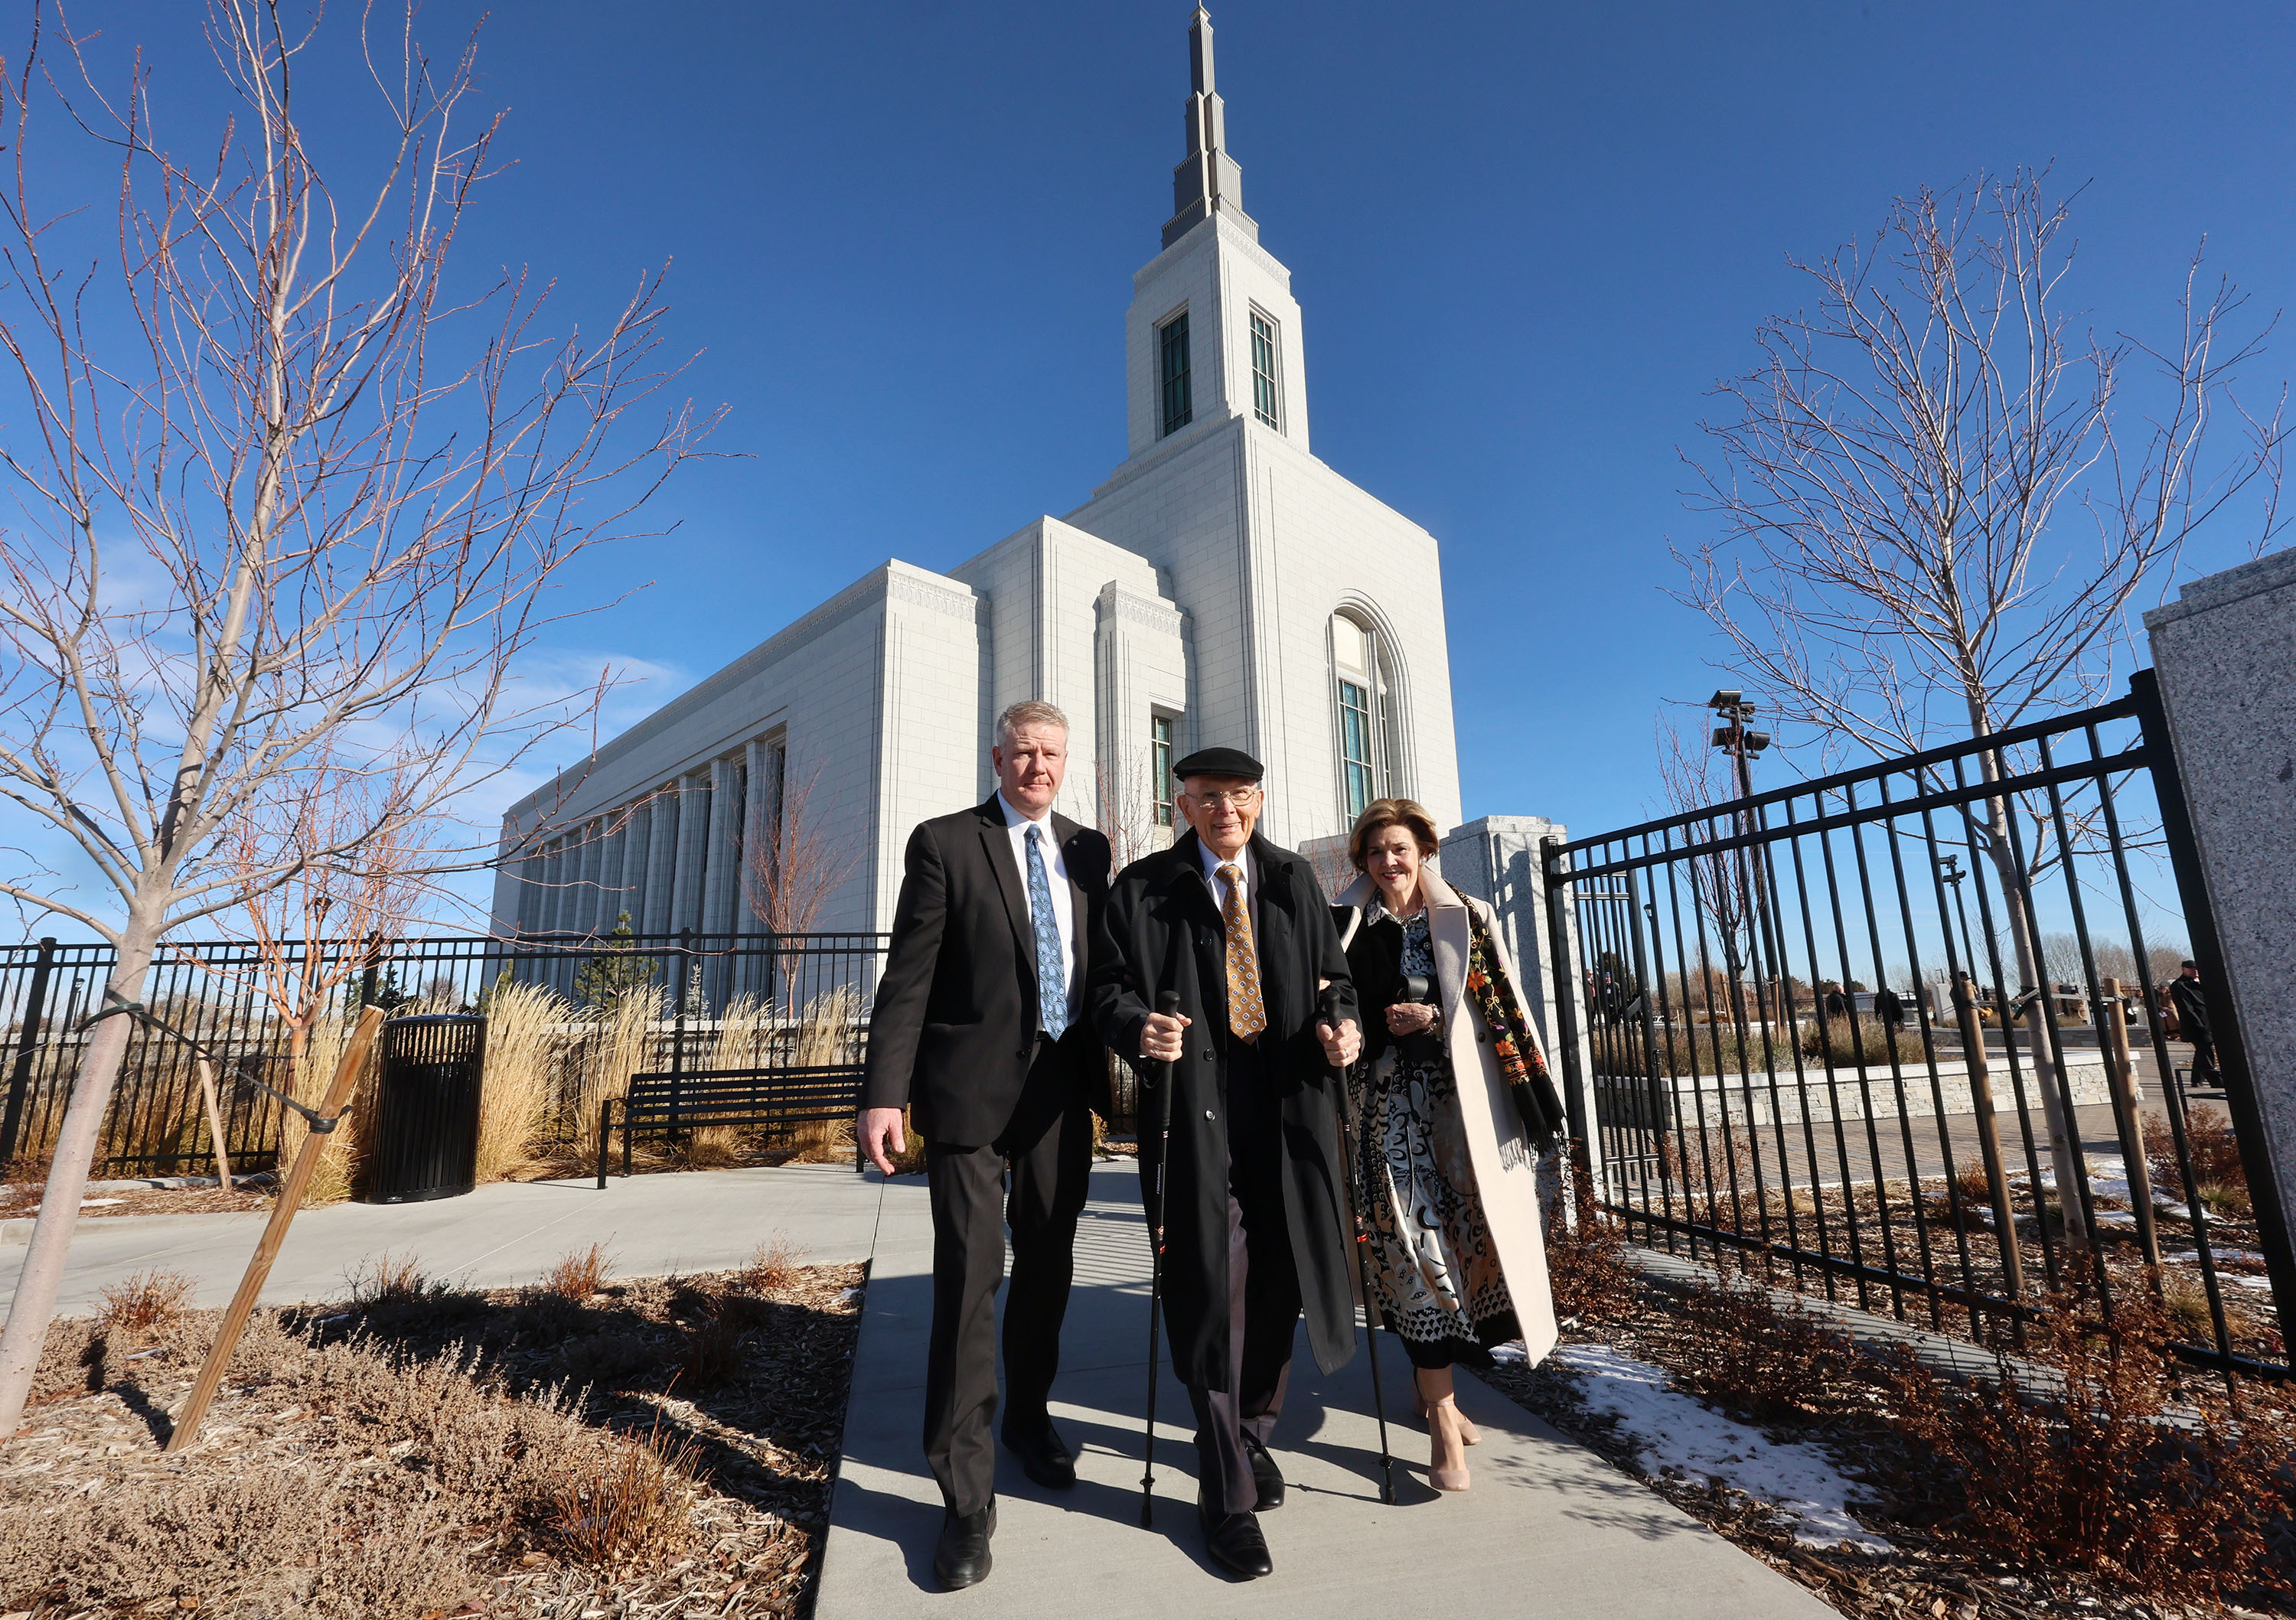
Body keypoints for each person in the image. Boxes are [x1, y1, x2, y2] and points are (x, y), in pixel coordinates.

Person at [1089, 746, 1362, 1582]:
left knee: (1281, 1282)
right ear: (1184, 806)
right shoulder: (1143, 887)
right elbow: (1105, 990)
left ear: (1259, 801)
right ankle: (1225, 1491)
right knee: (1212, 1292)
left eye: (1240, 795)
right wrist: (1137, 1026)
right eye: (1208, 796)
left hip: (1287, 1114)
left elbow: (1336, 979)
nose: (1226, 810)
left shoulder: (1293, 880)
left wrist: (1343, 1024)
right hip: (1197, 1118)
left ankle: (1249, 1433)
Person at [858, 700, 1112, 1591]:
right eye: (1025, 751)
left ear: (1065, 762)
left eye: (1053, 753)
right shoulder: (945, 843)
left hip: (1059, 1100)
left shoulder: (1090, 849)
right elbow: (909, 976)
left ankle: (1029, 1415)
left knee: (1048, 1265)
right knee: (970, 1280)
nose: (1039, 765)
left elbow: (1106, 969)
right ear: (998, 757)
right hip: (967, 1096)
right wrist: (884, 1091)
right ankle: (965, 1493)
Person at [1330, 798, 1558, 1494]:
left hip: (1462, 1120)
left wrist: (1437, 1016)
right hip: (1385, 1117)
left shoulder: (1468, 915)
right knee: (1411, 1251)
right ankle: (1440, 1413)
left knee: (1464, 1253)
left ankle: (1434, 1386)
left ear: (1423, 850)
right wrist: (1359, 1028)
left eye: (1399, 848)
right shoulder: (1343, 925)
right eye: (1375, 851)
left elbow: (1502, 1011)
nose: (1388, 862)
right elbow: (1329, 1004)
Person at [2169, 960, 2218, 1084]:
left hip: (2206, 1022)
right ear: (2183, 969)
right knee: (2206, 1049)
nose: (2195, 971)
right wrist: (2198, 1025)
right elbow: (2186, 1008)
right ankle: (2215, 1080)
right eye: (2191, 969)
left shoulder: (2197, 984)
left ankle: (2197, 1079)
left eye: (2196, 968)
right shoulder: (2179, 985)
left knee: (2202, 1050)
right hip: (2195, 1024)